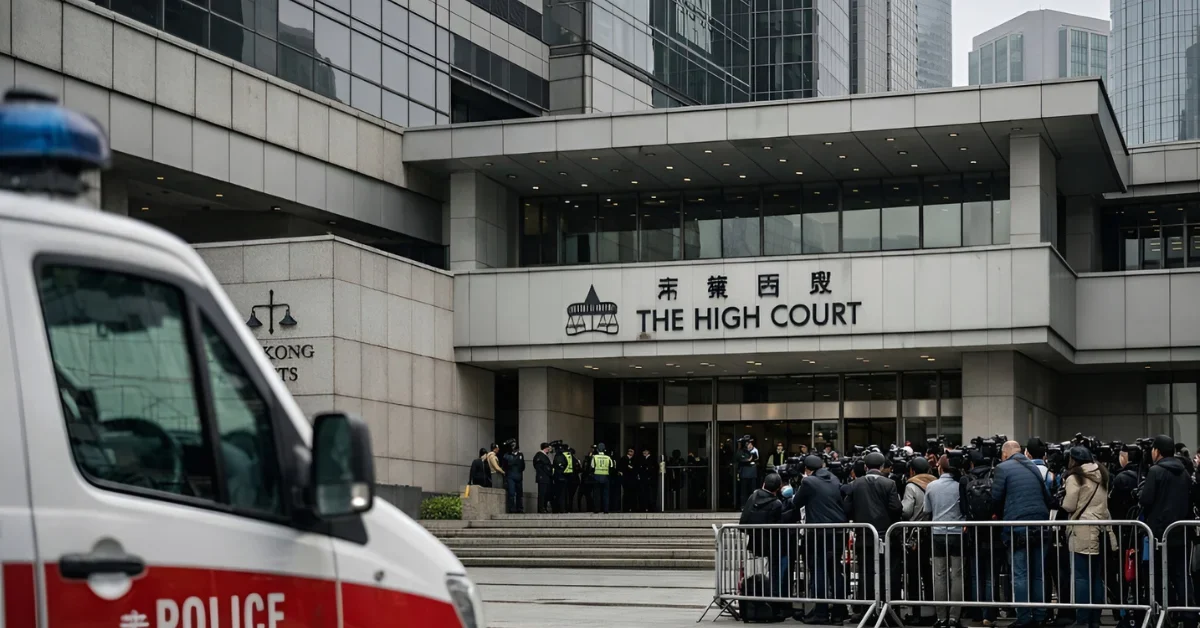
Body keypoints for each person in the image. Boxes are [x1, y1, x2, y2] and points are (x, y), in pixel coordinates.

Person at [991, 440, 1052, 628]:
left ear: (1004, 454)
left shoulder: (1003, 468)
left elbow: (995, 498)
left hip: (1017, 526)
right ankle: (1040, 616)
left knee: (1020, 574)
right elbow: (1047, 497)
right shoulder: (1033, 467)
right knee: (1038, 573)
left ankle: (1024, 617)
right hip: (1040, 524)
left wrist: (998, 516)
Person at [1140, 435, 1197, 628]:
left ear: (1157, 451)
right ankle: (1189, 617)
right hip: (1181, 533)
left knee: (1157, 577)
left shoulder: (1155, 471)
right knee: (1182, 576)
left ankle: (1161, 616)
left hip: (1158, 534)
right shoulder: (1185, 472)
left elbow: (1146, 500)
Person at [1061, 446, 1116, 628]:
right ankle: (1095, 618)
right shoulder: (1103, 474)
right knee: (1096, 577)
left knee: (1081, 577)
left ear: (1073, 460)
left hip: (1082, 530)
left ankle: (1083, 619)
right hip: (1100, 529)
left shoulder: (1074, 477)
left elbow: (1069, 505)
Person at [844, 452, 902, 611]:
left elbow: (847, 508)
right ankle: (889, 610)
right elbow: (896, 508)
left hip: (865, 536)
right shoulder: (889, 483)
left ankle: (867, 609)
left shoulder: (855, 484)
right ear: (882, 467)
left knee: (866, 573)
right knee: (889, 573)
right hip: (887, 536)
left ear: (865, 467)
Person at [794, 455, 847, 625]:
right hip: (838, 531)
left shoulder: (808, 482)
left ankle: (821, 613)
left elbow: (796, 502)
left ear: (807, 469)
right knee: (835, 570)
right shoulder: (834, 478)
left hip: (818, 532)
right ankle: (839, 612)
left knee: (819, 571)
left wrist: (804, 481)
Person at [925, 455, 965, 628]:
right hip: (957, 533)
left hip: (938, 533)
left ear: (939, 468)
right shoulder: (960, 486)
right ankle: (954, 617)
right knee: (957, 575)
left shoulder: (931, 486)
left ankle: (941, 617)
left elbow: (927, 510)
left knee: (939, 575)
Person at [901, 456, 938, 626]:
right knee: (929, 574)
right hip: (932, 533)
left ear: (912, 471)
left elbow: (907, 511)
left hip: (914, 536)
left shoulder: (911, 485)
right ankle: (933, 611)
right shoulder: (935, 483)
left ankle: (916, 614)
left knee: (914, 574)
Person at [1108, 447, 1140, 520]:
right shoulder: (1145, 474)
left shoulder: (1121, 478)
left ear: (1123, 457)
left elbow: (1113, 501)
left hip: (1122, 519)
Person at [501, 442, 525, 514]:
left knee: (519, 493)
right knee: (511, 493)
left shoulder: (520, 455)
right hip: (511, 476)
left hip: (518, 475)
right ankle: (512, 508)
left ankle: (519, 508)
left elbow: (523, 466)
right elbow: (504, 466)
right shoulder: (507, 456)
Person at [737, 438, 760, 510]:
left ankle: (752, 505)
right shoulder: (741, 452)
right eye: (747, 443)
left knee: (752, 490)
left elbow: (756, 460)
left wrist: (751, 460)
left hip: (752, 473)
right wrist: (748, 461)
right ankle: (743, 506)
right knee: (744, 491)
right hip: (744, 474)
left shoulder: (754, 451)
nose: (748, 445)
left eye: (749, 443)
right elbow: (741, 460)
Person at [591, 443, 613, 514]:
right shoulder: (608, 457)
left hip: (597, 477)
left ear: (597, 449)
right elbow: (612, 467)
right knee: (606, 494)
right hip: (606, 477)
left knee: (596, 494)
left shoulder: (594, 457)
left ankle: (596, 509)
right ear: (604, 449)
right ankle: (606, 509)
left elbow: (592, 467)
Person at [533, 443, 553, 514]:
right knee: (542, 493)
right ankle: (541, 508)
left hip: (546, 477)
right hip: (543, 477)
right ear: (545, 448)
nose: (549, 450)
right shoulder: (539, 455)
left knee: (546, 493)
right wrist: (548, 471)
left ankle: (544, 507)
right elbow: (539, 467)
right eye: (548, 448)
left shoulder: (544, 456)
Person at [617, 448, 638, 512]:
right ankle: (626, 508)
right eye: (629, 451)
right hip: (626, 479)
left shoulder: (635, 459)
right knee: (626, 494)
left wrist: (633, 469)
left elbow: (637, 469)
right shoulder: (623, 459)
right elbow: (620, 468)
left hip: (633, 479)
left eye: (632, 451)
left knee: (633, 494)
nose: (631, 453)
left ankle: (633, 508)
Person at [638, 448, 657, 512]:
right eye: (643, 451)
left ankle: (651, 507)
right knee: (644, 494)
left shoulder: (652, 459)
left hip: (650, 479)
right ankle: (644, 507)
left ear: (648, 452)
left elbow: (653, 469)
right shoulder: (642, 459)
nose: (644, 452)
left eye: (645, 451)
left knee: (650, 494)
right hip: (644, 479)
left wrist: (650, 476)